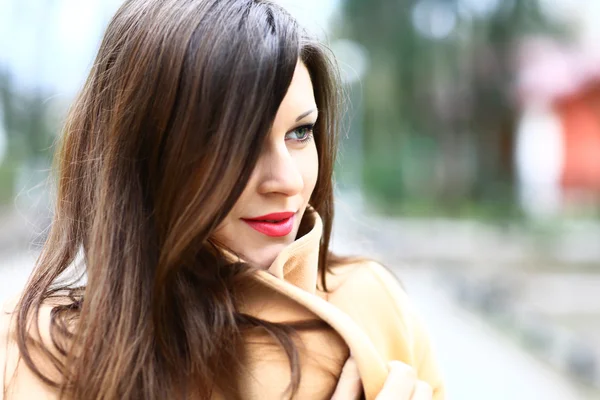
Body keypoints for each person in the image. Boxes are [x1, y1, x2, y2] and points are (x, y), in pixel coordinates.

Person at [0, 0, 445, 399]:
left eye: (300, 132)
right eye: (237, 143)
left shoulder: (375, 303)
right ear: (144, 152)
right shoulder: (42, 352)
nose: (286, 181)